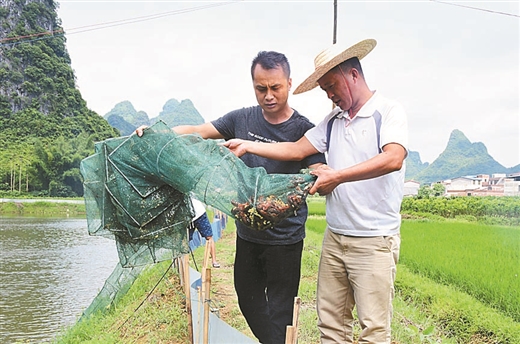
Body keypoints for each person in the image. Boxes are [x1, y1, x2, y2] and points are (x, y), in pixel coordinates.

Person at [223, 39, 408, 343]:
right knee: (332, 326)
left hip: (374, 239)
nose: (330, 95)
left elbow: (393, 158)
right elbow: (297, 150)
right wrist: (247, 145)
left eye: (332, 86)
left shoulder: (387, 111)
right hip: (336, 238)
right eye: (324, 90)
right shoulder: (331, 122)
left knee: (373, 329)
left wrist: (338, 176)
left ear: (352, 75)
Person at [137, 51, 326, 344]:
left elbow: (317, 168)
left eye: (275, 87)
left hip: (286, 239)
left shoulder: (303, 130)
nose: (269, 95)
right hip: (248, 232)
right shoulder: (242, 118)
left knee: (280, 309)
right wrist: (158, 133)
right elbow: (198, 131)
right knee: (247, 300)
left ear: (289, 83)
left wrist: (323, 174)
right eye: (260, 88)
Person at [189, 197, 219, 268]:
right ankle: (184, 264)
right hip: (187, 218)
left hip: (199, 214)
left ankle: (214, 261)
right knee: (185, 239)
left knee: (209, 236)